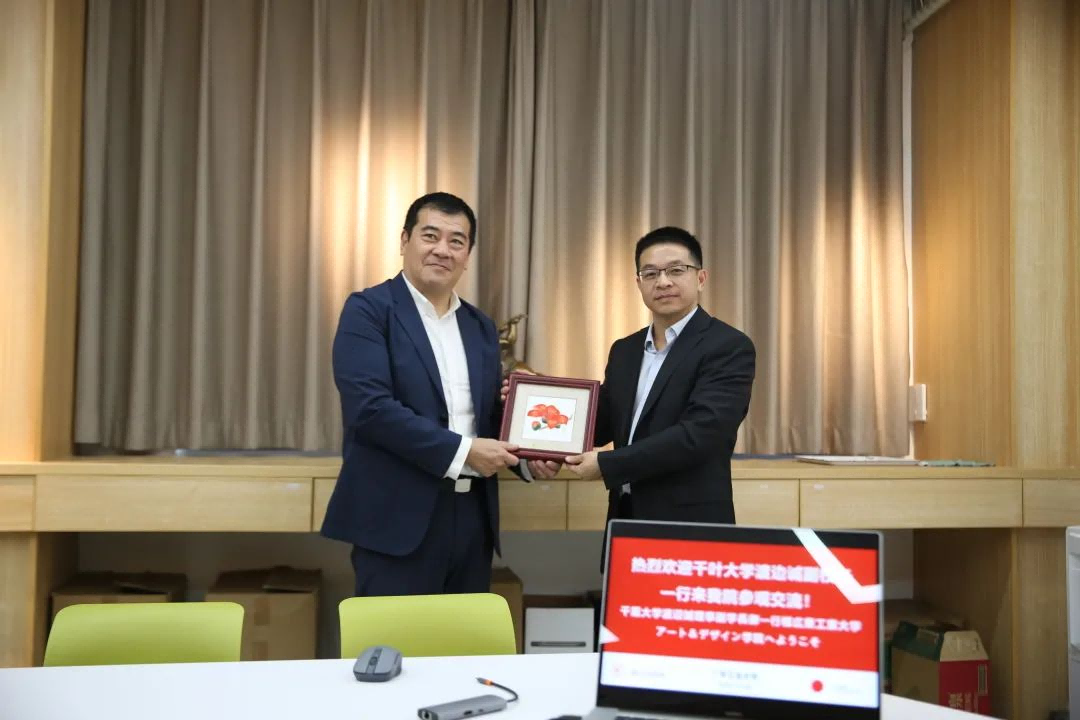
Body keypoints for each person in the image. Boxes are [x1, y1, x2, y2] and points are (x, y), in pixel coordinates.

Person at [321, 192, 523, 596]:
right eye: (430, 236)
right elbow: (370, 409)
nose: (442, 250)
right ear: (404, 241)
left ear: (468, 255)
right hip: (396, 519)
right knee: (393, 636)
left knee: (461, 638)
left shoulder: (480, 326)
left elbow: (486, 416)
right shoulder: (368, 310)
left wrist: (531, 457)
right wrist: (464, 452)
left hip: (472, 518)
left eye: (456, 241)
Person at [529, 226, 756, 526]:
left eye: (676, 270)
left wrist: (608, 464)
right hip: (624, 515)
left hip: (690, 522)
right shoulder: (625, 350)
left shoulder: (728, 346)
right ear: (638, 283)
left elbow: (701, 434)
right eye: (650, 274)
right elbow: (602, 421)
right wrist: (542, 438)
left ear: (701, 278)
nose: (663, 282)